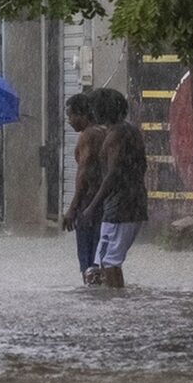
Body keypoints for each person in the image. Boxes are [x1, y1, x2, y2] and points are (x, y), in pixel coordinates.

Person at [78, 88, 148, 288]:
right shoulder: (130, 131)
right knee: (109, 261)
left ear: (101, 110)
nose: (90, 112)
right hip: (133, 204)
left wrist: (92, 206)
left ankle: (117, 308)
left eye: (92, 108)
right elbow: (141, 167)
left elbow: (113, 174)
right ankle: (117, 306)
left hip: (119, 209)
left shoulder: (116, 135)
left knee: (108, 262)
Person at [60, 92, 107, 283]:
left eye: (71, 115)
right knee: (100, 260)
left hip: (89, 204)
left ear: (84, 114)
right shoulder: (104, 132)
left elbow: (84, 173)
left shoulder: (89, 136)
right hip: (103, 203)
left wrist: (73, 208)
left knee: (89, 262)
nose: (69, 121)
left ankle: (91, 298)